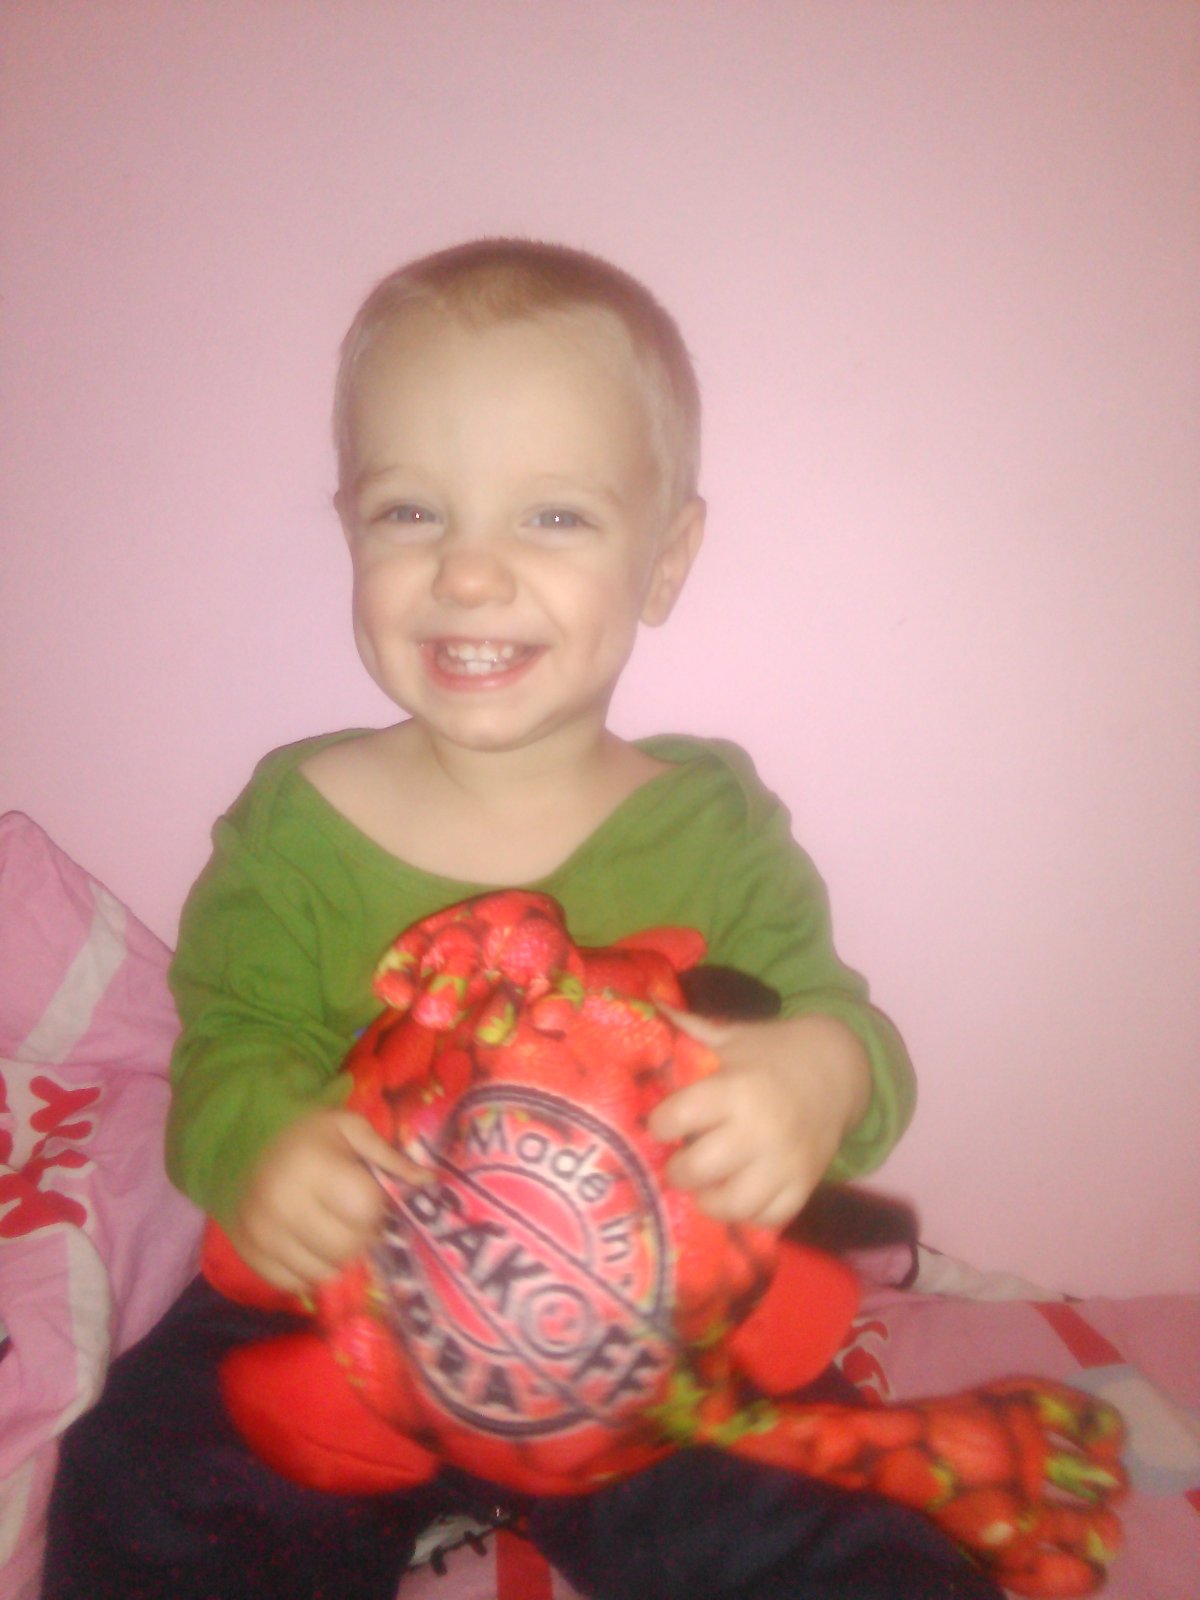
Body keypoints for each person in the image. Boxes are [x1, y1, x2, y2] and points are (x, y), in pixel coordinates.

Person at [45, 239, 1001, 1599]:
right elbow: (224, 1042)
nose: (471, 575)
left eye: (552, 517)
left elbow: (849, 1033)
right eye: (411, 513)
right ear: (349, 531)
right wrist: (263, 1149)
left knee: (847, 1540)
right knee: (145, 1480)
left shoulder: (710, 822)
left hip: (648, 1333)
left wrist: (817, 1075)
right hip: (340, 1315)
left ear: (664, 561)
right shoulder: (296, 819)